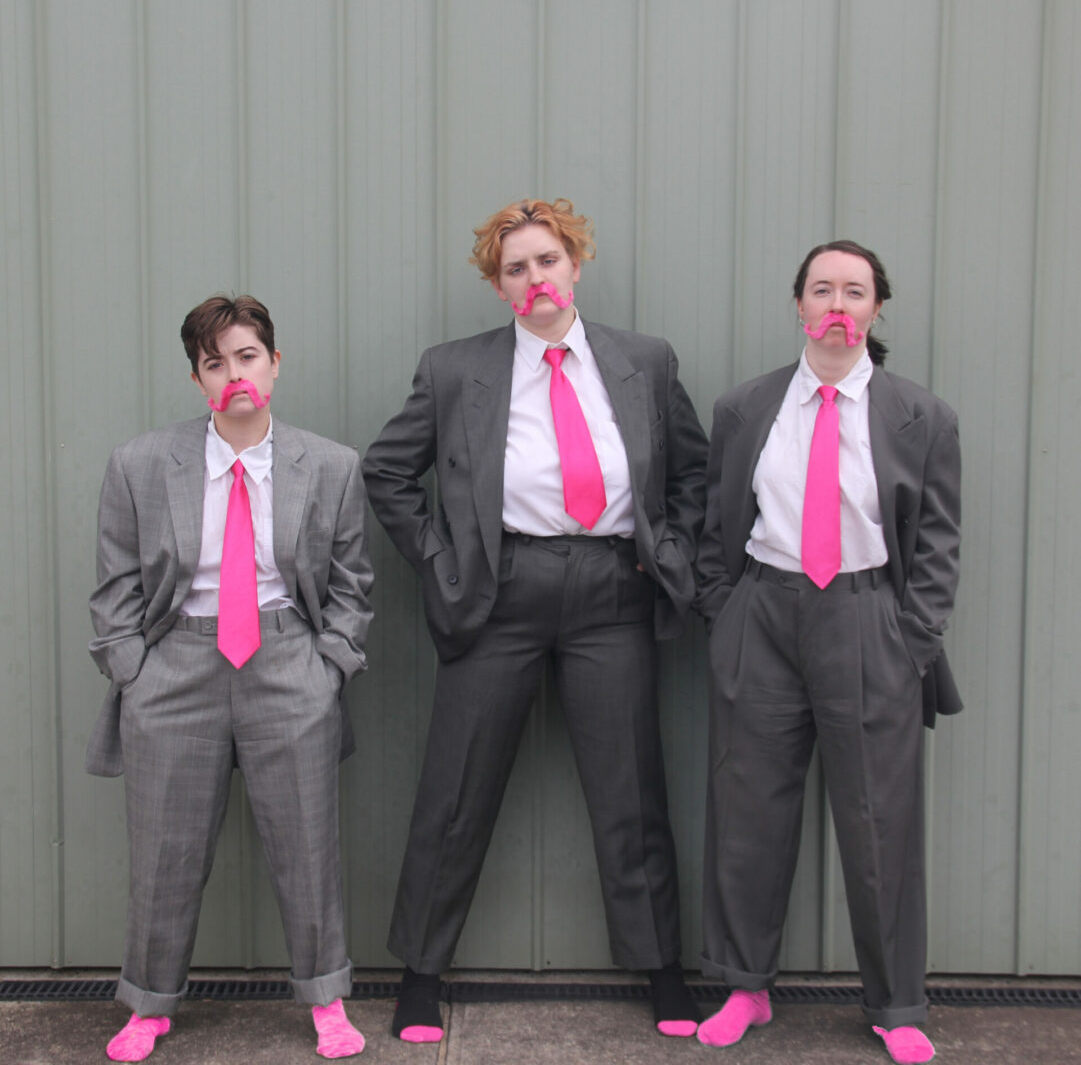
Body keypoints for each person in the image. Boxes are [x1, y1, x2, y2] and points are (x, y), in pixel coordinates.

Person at [362, 198, 709, 1042]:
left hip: (612, 591)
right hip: (497, 594)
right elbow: (387, 473)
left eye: (546, 260)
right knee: (456, 788)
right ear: (496, 284)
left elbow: (694, 472)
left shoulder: (644, 361)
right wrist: (443, 569)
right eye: (514, 268)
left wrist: (669, 554)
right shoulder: (455, 370)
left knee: (629, 787)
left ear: (575, 265)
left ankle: (662, 970)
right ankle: (419, 975)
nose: (534, 279)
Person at [694, 241, 962, 1065]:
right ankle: (743, 985)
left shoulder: (922, 417)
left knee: (879, 823)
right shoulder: (745, 407)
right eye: (821, 289)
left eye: (854, 290)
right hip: (764, 614)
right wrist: (727, 614)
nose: (836, 303)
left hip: (865, 618)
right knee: (748, 813)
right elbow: (716, 529)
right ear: (799, 306)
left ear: (876, 308)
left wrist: (906, 642)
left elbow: (938, 547)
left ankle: (895, 1005)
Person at [86, 295, 374, 1062]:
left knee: (307, 845)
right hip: (174, 665)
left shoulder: (332, 465)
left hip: (288, 664)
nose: (234, 374)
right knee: (164, 852)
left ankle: (326, 1001)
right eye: (215, 364)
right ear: (198, 379)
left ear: (274, 364)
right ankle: (147, 1006)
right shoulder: (141, 464)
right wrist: (133, 672)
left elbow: (352, 584)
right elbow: (113, 585)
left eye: (247, 356)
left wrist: (328, 665)